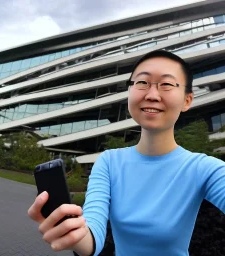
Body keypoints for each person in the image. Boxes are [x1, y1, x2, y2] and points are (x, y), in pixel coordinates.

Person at [28, 50, 225, 256]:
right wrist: (73, 234)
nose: (152, 95)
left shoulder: (205, 169)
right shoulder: (109, 162)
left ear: (187, 100)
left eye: (166, 84)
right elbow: (93, 235)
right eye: (142, 83)